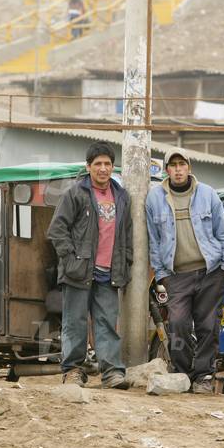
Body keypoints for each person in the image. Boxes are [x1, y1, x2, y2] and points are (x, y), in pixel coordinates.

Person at [145, 150, 224, 394]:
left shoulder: (208, 194)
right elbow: (154, 240)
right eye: (172, 165)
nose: (177, 169)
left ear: (189, 167)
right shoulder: (154, 199)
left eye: (181, 164)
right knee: (178, 323)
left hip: (210, 271)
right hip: (176, 276)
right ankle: (183, 373)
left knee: (208, 326)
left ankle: (204, 375)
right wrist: (162, 275)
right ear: (166, 170)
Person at [47, 142, 132, 389]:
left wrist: (125, 262)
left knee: (107, 323)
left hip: (109, 273)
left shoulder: (122, 197)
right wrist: (70, 259)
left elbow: (127, 235)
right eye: (98, 164)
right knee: (75, 323)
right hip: (78, 272)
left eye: (107, 164)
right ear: (88, 167)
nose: (103, 169)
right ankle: (72, 370)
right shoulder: (75, 194)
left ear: (113, 167)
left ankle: (112, 373)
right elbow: (57, 229)